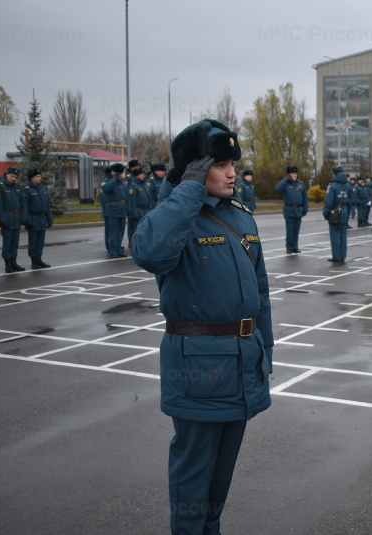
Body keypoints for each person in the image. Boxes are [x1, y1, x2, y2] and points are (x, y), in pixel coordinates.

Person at [131, 119, 272, 535]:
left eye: (233, 163)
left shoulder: (240, 217)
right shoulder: (176, 216)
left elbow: (260, 298)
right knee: (194, 481)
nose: (232, 173)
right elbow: (149, 252)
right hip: (199, 370)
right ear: (195, 170)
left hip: (242, 364)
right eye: (221, 164)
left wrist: (266, 357)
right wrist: (187, 190)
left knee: (218, 486)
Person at [0, 167, 26, 273]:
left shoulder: (18, 187)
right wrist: (3, 220)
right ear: (6, 174)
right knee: (7, 242)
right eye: (12, 176)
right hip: (7, 217)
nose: (13, 179)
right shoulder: (0, 187)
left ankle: (14, 261)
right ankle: (8, 263)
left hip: (16, 217)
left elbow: (22, 204)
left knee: (15, 242)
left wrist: (22, 217)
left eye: (15, 177)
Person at [22, 168, 54, 269]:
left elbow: (47, 205)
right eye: (37, 177)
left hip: (42, 218)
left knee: (40, 241)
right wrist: (27, 220)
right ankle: (34, 261)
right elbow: (24, 206)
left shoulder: (42, 189)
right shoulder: (27, 189)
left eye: (40, 176)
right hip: (33, 218)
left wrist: (49, 218)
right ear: (31, 178)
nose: (39, 178)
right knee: (33, 241)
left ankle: (39, 259)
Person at [274, 165, 308, 254]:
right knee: (290, 231)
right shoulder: (285, 184)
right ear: (289, 174)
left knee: (296, 231)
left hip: (298, 210)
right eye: (292, 173)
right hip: (289, 210)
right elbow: (277, 188)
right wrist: (286, 179)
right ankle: (289, 247)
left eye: (295, 173)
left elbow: (305, 198)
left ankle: (295, 247)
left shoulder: (300, 184)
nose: (294, 175)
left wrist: (305, 209)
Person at [323, 166, 349, 264]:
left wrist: (325, 213)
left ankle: (336, 257)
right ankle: (342, 256)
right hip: (344, 210)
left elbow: (328, 202)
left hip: (335, 211)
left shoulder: (332, 186)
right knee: (343, 235)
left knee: (335, 235)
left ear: (334, 174)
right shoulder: (347, 185)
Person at [102, 163, 128, 258]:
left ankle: (118, 249)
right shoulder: (108, 180)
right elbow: (105, 189)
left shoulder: (122, 182)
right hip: (113, 209)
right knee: (113, 231)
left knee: (120, 231)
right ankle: (113, 250)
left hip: (122, 209)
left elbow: (125, 195)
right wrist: (114, 179)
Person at [127, 167, 154, 245]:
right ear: (136, 175)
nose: (143, 175)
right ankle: (134, 244)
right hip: (138, 211)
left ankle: (143, 244)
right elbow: (132, 201)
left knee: (145, 229)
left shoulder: (144, 185)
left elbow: (149, 199)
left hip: (145, 211)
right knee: (136, 230)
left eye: (143, 174)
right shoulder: (133, 186)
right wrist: (134, 213)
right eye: (141, 174)